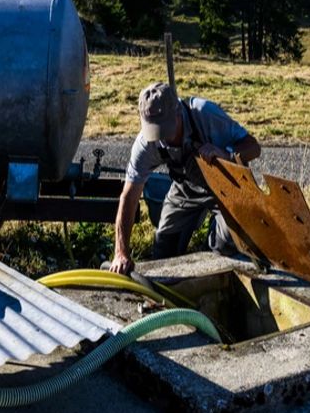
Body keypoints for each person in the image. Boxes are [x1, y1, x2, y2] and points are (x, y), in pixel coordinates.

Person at [109, 81, 261, 275]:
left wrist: (226, 153)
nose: (162, 138)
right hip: (186, 188)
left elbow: (254, 147)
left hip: (227, 186)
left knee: (225, 246)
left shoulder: (204, 113)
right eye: (155, 131)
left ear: (178, 112)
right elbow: (129, 197)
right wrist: (121, 252)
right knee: (164, 249)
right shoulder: (145, 145)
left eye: (166, 129)